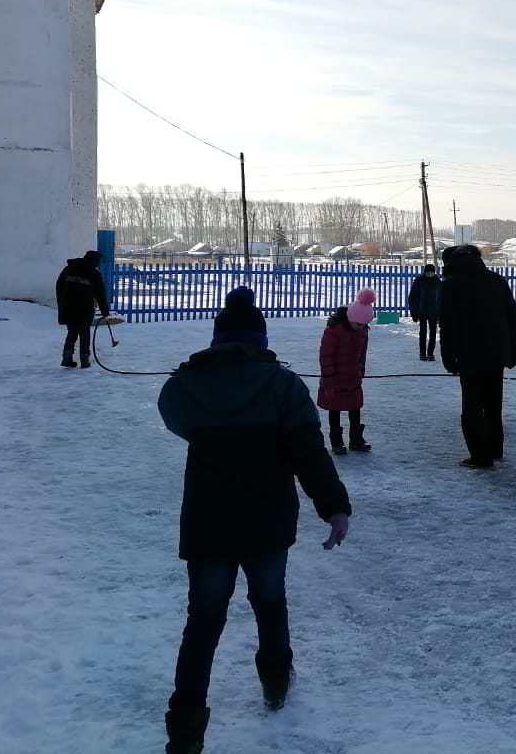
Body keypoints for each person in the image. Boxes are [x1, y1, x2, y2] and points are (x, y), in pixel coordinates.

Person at [157, 286, 352, 754]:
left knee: (203, 621)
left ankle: (185, 731)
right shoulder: (283, 385)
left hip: (208, 522)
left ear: (217, 339)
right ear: (260, 340)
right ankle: (276, 685)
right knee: (269, 603)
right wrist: (334, 505)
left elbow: (174, 417)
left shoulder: (185, 385)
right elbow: (308, 451)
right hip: (268, 520)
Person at [439, 244, 516, 468]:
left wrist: (448, 357)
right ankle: (495, 448)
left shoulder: (451, 285)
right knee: (493, 405)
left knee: (472, 409)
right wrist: (512, 352)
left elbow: (448, 325)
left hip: (470, 356)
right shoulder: (497, 281)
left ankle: (480, 456)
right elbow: (513, 318)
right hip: (497, 354)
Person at [317, 288, 375, 454]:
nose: (360, 327)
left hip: (352, 376)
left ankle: (356, 439)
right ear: (351, 318)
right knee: (334, 409)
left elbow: (362, 353)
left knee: (355, 408)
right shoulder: (335, 330)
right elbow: (326, 355)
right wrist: (328, 379)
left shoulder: (362, 330)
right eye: (358, 324)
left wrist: (361, 369)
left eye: (363, 324)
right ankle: (337, 442)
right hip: (334, 378)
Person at [55, 249, 111, 367]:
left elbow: (59, 286)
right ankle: (84, 360)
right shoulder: (93, 273)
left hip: (68, 307)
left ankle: (67, 358)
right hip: (84, 308)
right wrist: (105, 311)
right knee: (84, 333)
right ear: (95, 261)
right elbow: (100, 294)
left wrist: (62, 302)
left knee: (72, 332)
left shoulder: (69, 269)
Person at [408, 263, 442, 361]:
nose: (430, 274)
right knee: (423, 333)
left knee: (433, 333)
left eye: (432, 272)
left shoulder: (438, 282)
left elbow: (441, 299)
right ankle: (422, 353)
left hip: (434, 312)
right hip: (422, 311)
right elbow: (413, 298)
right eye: (428, 272)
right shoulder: (419, 282)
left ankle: (430, 353)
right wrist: (414, 312)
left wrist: (441, 313)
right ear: (425, 272)